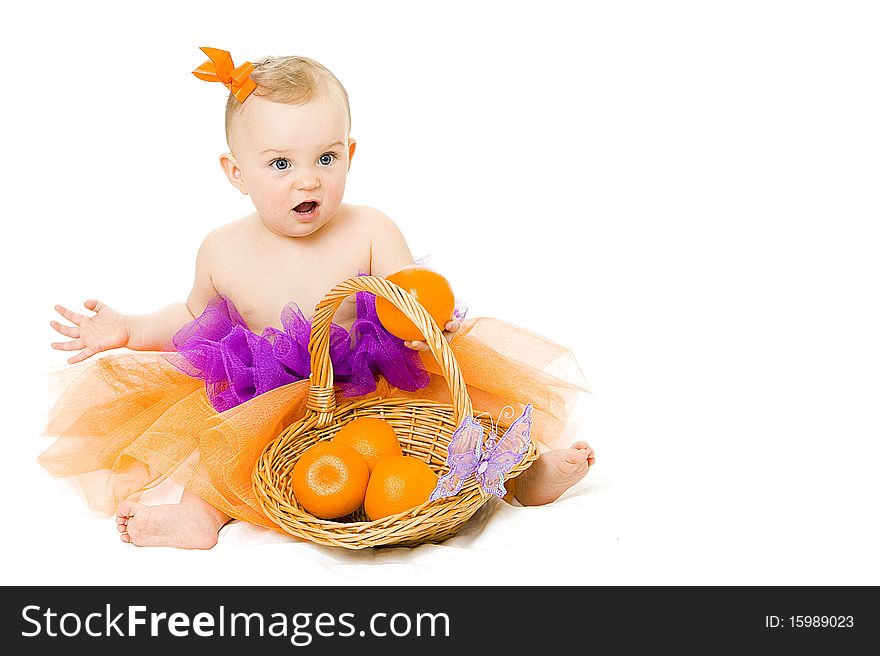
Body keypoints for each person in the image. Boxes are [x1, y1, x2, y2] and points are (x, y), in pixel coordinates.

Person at [43, 47, 595, 549]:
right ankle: (200, 516)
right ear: (236, 172)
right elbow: (193, 319)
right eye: (281, 164)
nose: (307, 182)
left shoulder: (371, 228)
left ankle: (524, 474)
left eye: (325, 158)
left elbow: (408, 289)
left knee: (463, 411)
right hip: (273, 399)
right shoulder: (222, 249)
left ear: (350, 153)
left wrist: (427, 315)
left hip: (379, 384)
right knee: (229, 445)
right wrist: (131, 331)